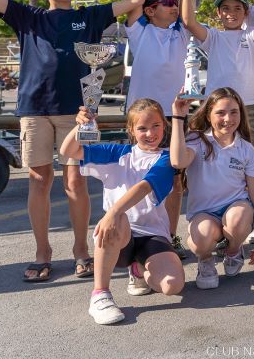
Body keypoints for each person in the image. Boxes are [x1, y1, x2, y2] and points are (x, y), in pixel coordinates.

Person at [0, 0, 144, 282]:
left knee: (76, 182)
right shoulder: (27, 16)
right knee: (39, 180)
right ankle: (42, 252)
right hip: (34, 109)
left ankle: (81, 250)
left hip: (77, 112)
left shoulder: (89, 16)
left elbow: (135, 0)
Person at [60, 99, 184, 325]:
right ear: (131, 130)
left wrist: (113, 210)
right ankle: (100, 295)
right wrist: (80, 126)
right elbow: (68, 150)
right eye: (142, 128)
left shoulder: (166, 158)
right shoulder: (116, 152)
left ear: (164, 127)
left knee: (172, 286)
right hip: (118, 234)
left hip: (151, 235)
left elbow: (144, 186)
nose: (150, 133)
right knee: (119, 219)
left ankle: (138, 270)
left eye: (156, 125)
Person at [125, 0, 189, 258]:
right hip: (141, 118)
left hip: (175, 118)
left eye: (173, 2)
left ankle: (169, 238)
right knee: (137, 183)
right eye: (166, 2)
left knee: (175, 184)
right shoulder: (140, 29)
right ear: (149, 10)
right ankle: (136, 243)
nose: (173, 4)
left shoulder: (182, 31)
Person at [170, 88, 254, 289]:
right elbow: (178, 161)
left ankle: (233, 250)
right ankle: (205, 260)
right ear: (208, 114)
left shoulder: (246, 149)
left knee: (238, 218)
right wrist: (178, 119)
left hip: (236, 208)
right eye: (220, 113)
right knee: (201, 239)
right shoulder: (196, 141)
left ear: (241, 113)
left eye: (234, 112)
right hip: (204, 213)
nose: (228, 119)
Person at [181, 0, 254, 166]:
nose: (232, 13)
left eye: (238, 8)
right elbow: (188, 21)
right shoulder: (213, 36)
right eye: (226, 8)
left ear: (246, 13)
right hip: (218, 105)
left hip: (253, 105)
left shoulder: (252, 35)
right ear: (218, 14)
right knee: (218, 158)